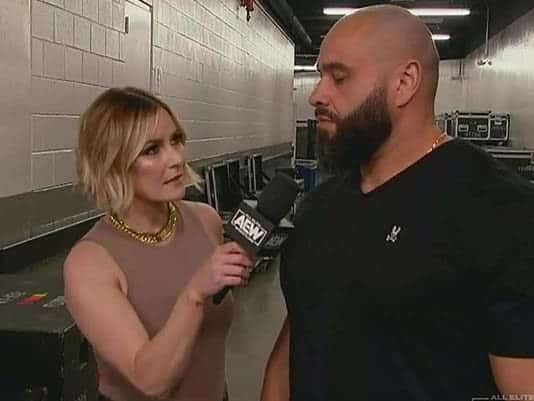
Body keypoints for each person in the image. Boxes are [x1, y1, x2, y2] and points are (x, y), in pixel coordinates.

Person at [261, 5, 534, 401]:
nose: (316, 95)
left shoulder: (499, 209)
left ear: (405, 82)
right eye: (320, 76)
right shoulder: (318, 208)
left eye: (339, 77)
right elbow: (295, 346)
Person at [63, 87, 253, 401]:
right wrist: (195, 293)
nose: (176, 159)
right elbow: (151, 381)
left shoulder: (206, 220)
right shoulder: (89, 263)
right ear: (113, 162)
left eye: (175, 140)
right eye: (152, 150)